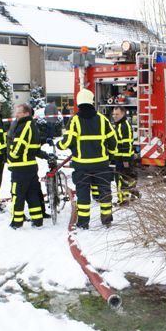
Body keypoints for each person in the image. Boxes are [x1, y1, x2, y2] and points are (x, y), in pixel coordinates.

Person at [57, 89, 117, 229]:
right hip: (101, 165)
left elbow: (67, 142)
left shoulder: (75, 120)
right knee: (105, 193)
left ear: (78, 102)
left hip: (82, 166)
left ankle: (83, 223)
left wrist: (59, 145)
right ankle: (107, 220)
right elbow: (113, 141)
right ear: (92, 101)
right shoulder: (103, 119)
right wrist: (110, 155)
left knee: (83, 195)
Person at [7, 104, 54, 229]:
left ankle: (16, 223)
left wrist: (10, 156)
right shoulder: (32, 125)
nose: (16, 115)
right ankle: (38, 221)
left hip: (20, 168)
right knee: (32, 194)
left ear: (26, 113)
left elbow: (18, 146)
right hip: (30, 167)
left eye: (19, 112)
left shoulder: (24, 126)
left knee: (17, 195)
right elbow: (35, 149)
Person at [112, 106, 138, 205]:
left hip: (123, 158)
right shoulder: (120, 124)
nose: (114, 116)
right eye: (114, 114)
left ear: (123, 114)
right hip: (121, 157)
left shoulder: (123, 126)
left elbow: (126, 144)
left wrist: (125, 160)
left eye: (117, 114)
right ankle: (133, 194)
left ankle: (123, 200)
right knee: (127, 177)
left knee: (120, 179)